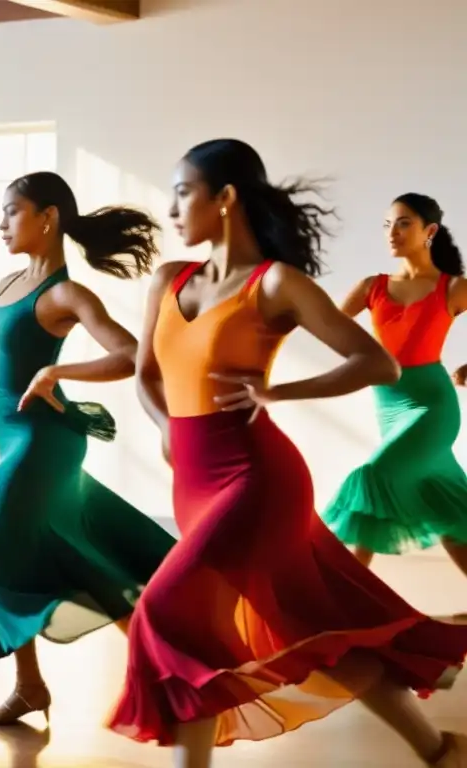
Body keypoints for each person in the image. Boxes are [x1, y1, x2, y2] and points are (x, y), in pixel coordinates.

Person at [106, 140, 467, 767]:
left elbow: (376, 362)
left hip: (256, 479)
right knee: (308, 628)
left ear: (225, 199)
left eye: (183, 193)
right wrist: (166, 426)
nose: (170, 210)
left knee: (165, 614)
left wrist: (276, 389)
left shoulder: (275, 283)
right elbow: (146, 375)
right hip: (191, 481)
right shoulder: (170, 280)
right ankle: (437, 747)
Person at [0, 171, 177, 726]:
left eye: (12, 211)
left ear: (47, 216)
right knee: (59, 553)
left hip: (43, 441)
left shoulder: (64, 293)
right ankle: (31, 686)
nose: (1, 222)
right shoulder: (10, 282)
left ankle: (165, 672)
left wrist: (56, 370)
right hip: (12, 436)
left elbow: (130, 355)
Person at [322, 193, 467, 575]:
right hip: (388, 406)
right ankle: (352, 592)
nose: (392, 232)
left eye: (403, 223)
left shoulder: (452, 287)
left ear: (429, 231)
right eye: (388, 224)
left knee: (375, 475)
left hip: (432, 408)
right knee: (446, 510)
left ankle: (349, 590)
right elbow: (325, 327)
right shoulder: (373, 286)